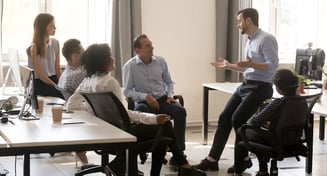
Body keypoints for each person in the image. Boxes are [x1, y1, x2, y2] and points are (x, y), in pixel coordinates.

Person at [66, 44, 205, 176]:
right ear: (103, 61)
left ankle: (182, 165)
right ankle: (183, 166)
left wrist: (91, 109)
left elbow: (70, 105)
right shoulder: (110, 82)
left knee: (164, 134)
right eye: (110, 56)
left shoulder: (88, 82)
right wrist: (152, 118)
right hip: (121, 134)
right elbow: (125, 115)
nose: (113, 59)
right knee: (165, 125)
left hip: (105, 133)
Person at [194, 8, 279, 173]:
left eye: (239, 21)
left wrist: (251, 64)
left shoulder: (266, 39)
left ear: (248, 20)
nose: (237, 25)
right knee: (225, 117)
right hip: (246, 85)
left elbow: (272, 66)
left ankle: (242, 160)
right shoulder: (249, 40)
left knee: (237, 119)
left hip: (261, 87)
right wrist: (229, 66)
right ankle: (213, 159)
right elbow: (247, 68)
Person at [122, 34, 187, 162]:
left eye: (151, 44)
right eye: (148, 45)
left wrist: (169, 95)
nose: (152, 47)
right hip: (144, 102)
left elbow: (169, 82)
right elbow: (127, 91)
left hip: (163, 99)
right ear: (138, 50)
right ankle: (153, 148)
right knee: (141, 112)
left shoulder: (161, 61)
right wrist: (145, 96)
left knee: (180, 111)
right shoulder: (130, 66)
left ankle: (178, 152)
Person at [234, 69, 299, 176]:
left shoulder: (277, 103)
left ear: (279, 89)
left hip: (276, 140)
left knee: (242, 130)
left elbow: (254, 122)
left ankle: (242, 170)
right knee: (261, 133)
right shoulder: (302, 101)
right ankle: (262, 170)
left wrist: (265, 123)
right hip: (294, 140)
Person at [58, 38, 87, 165]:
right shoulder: (78, 75)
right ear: (75, 56)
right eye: (83, 53)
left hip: (75, 115)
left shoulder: (65, 73)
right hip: (82, 115)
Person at [27, 13, 64, 99]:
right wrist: (57, 87)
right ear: (43, 28)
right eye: (52, 25)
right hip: (39, 82)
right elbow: (40, 75)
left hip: (53, 78)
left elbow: (57, 69)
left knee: (67, 91)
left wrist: (62, 84)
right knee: (61, 93)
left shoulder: (55, 42)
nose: (55, 28)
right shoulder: (34, 48)